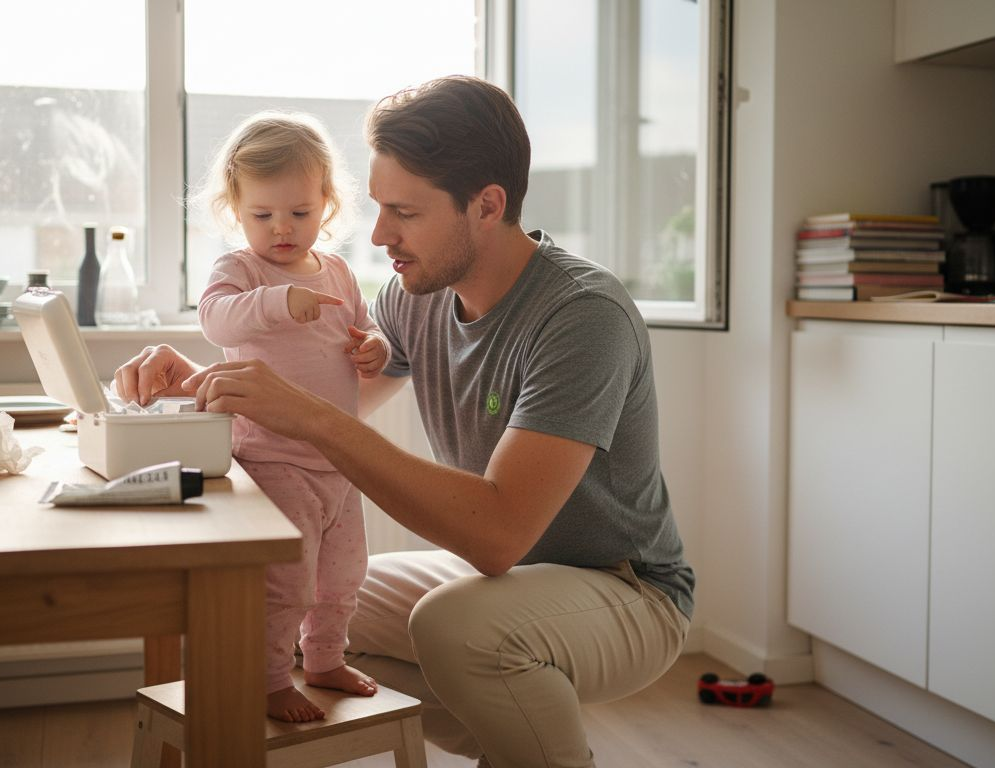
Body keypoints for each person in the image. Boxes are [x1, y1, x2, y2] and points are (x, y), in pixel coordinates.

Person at [116, 76, 695, 768]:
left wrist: (312, 417)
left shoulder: (580, 316)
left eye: (406, 213)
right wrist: (201, 383)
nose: (381, 234)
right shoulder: (413, 297)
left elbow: (498, 535)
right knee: (318, 607)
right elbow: (316, 394)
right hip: (512, 582)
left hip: (626, 589)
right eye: (380, 208)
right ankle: (531, 749)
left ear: (487, 206)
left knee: (457, 627)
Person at [188, 111, 390, 722]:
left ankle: (324, 658)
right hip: (272, 460)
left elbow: (360, 329)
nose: (281, 229)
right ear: (235, 208)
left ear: (326, 204)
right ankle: (271, 677)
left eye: (299, 214)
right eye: (262, 216)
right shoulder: (241, 271)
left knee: (343, 576)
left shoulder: (338, 271)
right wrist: (279, 301)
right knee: (285, 583)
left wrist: (373, 345)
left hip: (339, 461)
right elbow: (215, 321)